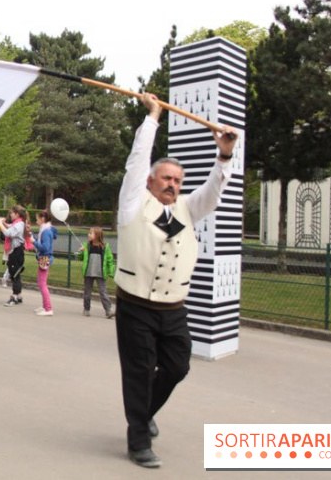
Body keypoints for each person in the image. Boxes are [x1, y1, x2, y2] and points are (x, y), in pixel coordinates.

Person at [114, 92, 236, 468]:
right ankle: (138, 441)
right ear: (151, 181)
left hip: (173, 310)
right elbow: (136, 165)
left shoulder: (186, 207)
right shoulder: (134, 203)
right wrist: (152, 118)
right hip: (135, 305)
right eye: (166, 178)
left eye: (178, 180)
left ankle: (143, 411)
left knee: (178, 366)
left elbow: (214, 193)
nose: (173, 184)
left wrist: (225, 155)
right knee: (138, 370)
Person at [77, 227, 116, 318]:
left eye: (91, 233)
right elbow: (80, 258)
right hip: (88, 273)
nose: (89, 235)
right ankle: (86, 309)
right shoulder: (86, 245)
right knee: (87, 292)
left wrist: (111, 272)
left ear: (97, 235)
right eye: (89, 233)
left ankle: (108, 310)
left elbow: (110, 260)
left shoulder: (105, 247)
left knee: (103, 292)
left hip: (100, 273)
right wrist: (80, 251)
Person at [0, 205, 30, 307]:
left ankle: (14, 297)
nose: (10, 214)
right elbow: (10, 226)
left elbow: (7, 233)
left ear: (17, 214)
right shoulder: (17, 223)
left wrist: (1, 223)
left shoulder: (19, 224)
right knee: (15, 274)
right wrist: (4, 223)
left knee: (14, 275)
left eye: (12, 213)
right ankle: (18, 296)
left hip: (16, 252)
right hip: (15, 251)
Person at [31, 210, 57, 316]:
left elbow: (45, 247)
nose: (36, 221)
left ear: (42, 219)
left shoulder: (46, 231)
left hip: (45, 257)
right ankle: (44, 306)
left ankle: (48, 308)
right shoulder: (46, 230)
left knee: (42, 284)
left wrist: (34, 242)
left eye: (37, 219)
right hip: (44, 257)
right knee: (41, 282)